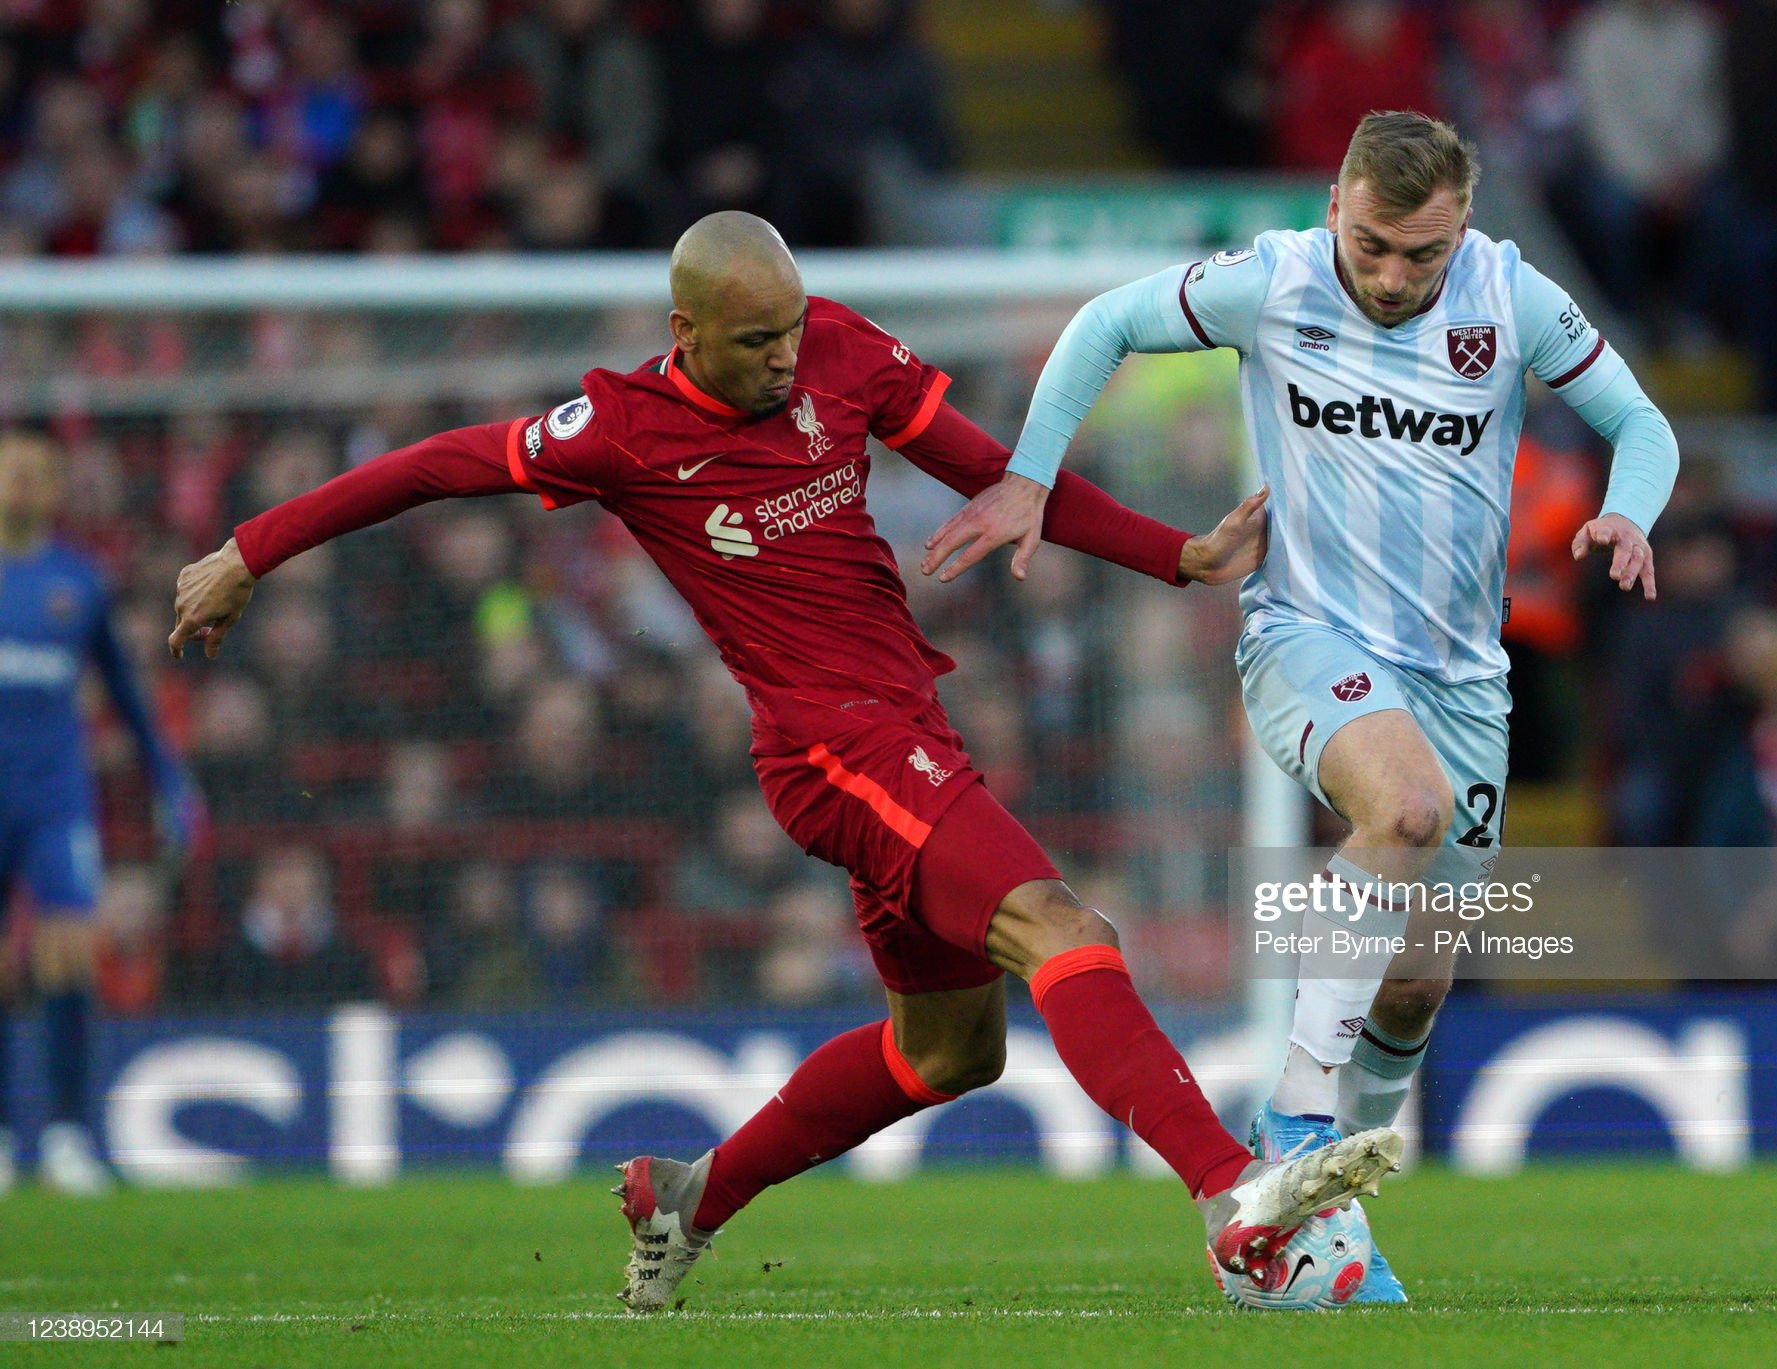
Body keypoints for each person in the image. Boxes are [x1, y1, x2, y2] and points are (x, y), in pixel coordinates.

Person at [167, 211, 1404, 1310]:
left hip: (905, 723)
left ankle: (688, 1198)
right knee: (1062, 928)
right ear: (686, 330)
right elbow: (433, 464)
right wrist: (250, 549)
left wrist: (1174, 556)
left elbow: (991, 472)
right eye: (754, 342)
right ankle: (1230, 1193)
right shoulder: (622, 427)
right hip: (827, 744)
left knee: (946, 1053)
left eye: (790, 332)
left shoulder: (840, 350)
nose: (781, 362)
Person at [924, 111, 1678, 1301]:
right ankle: (1289, 1124)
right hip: (1301, 637)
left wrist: (1629, 510)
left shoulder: (1509, 295)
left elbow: (1639, 421)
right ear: (1336, 204)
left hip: (1462, 677)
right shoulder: (1270, 282)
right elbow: (1104, 322)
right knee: (1407, 808)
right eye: (1371, 243)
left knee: (1419, 980)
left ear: (1461, 230)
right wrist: (1027, 474)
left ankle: (1327, 1230)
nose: (1389, 276)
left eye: (1417, 255)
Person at [0, 431, 201, 1196]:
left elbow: (126, 697)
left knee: (66, 954)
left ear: (54, 490)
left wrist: (169, 780)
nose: (21, 485)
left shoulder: (78, 583)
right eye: (11, 471)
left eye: (36, 474)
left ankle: (65, 1135)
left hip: (55, 799)